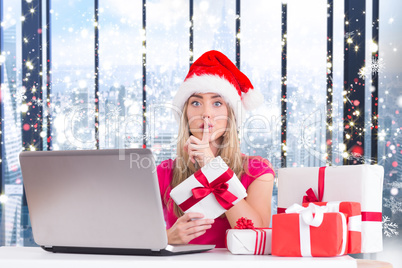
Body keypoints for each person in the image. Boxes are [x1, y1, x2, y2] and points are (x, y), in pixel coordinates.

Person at [157, 50, 275, 248]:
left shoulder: (257, 170)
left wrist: (213, 167)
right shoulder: (165, 172)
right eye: (196, 102)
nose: (206, 114)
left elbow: (255, 235)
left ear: (231, 114)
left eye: (217, 103)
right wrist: (166, 238)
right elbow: (134, 232)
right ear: (185, 113)